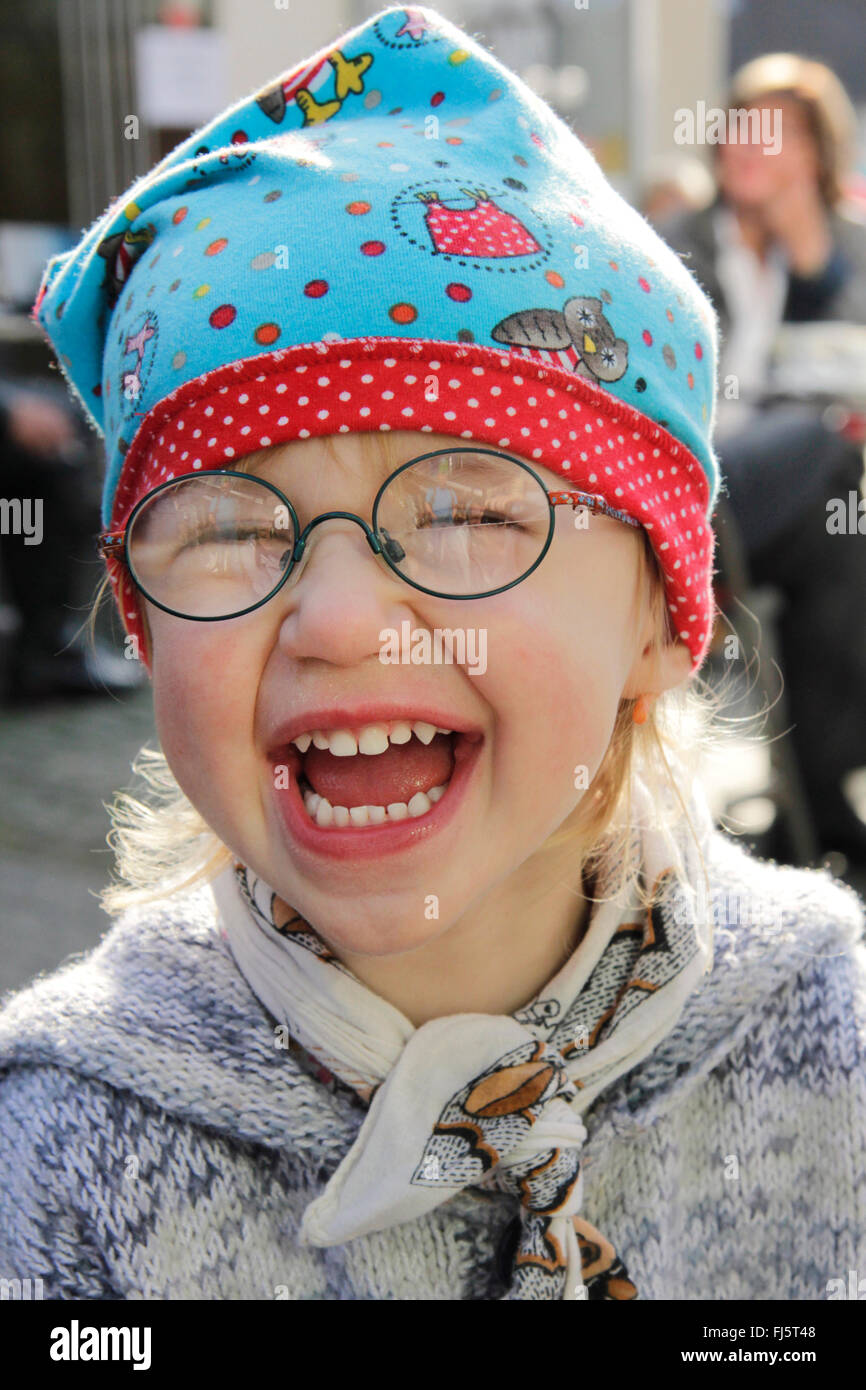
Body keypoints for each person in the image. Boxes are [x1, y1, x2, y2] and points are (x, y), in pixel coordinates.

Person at [0, 4, 864, 1302]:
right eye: (229, 525)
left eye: (468, 509)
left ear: (656, 617)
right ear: (140, 608)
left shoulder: (829, 1029)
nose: (342, 619)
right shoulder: (59, 1147)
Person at [658, 54, 866, 869]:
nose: (745, 147)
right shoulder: (684, 240)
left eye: (771, 133)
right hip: (694, 481)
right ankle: (823, 804)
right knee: (824, 446)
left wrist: (813, 255)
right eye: (736, 128)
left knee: (843, 542)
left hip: (779, 503)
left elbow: (846, 361)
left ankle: (813, 810)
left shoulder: (834, 253)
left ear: (815, 154)